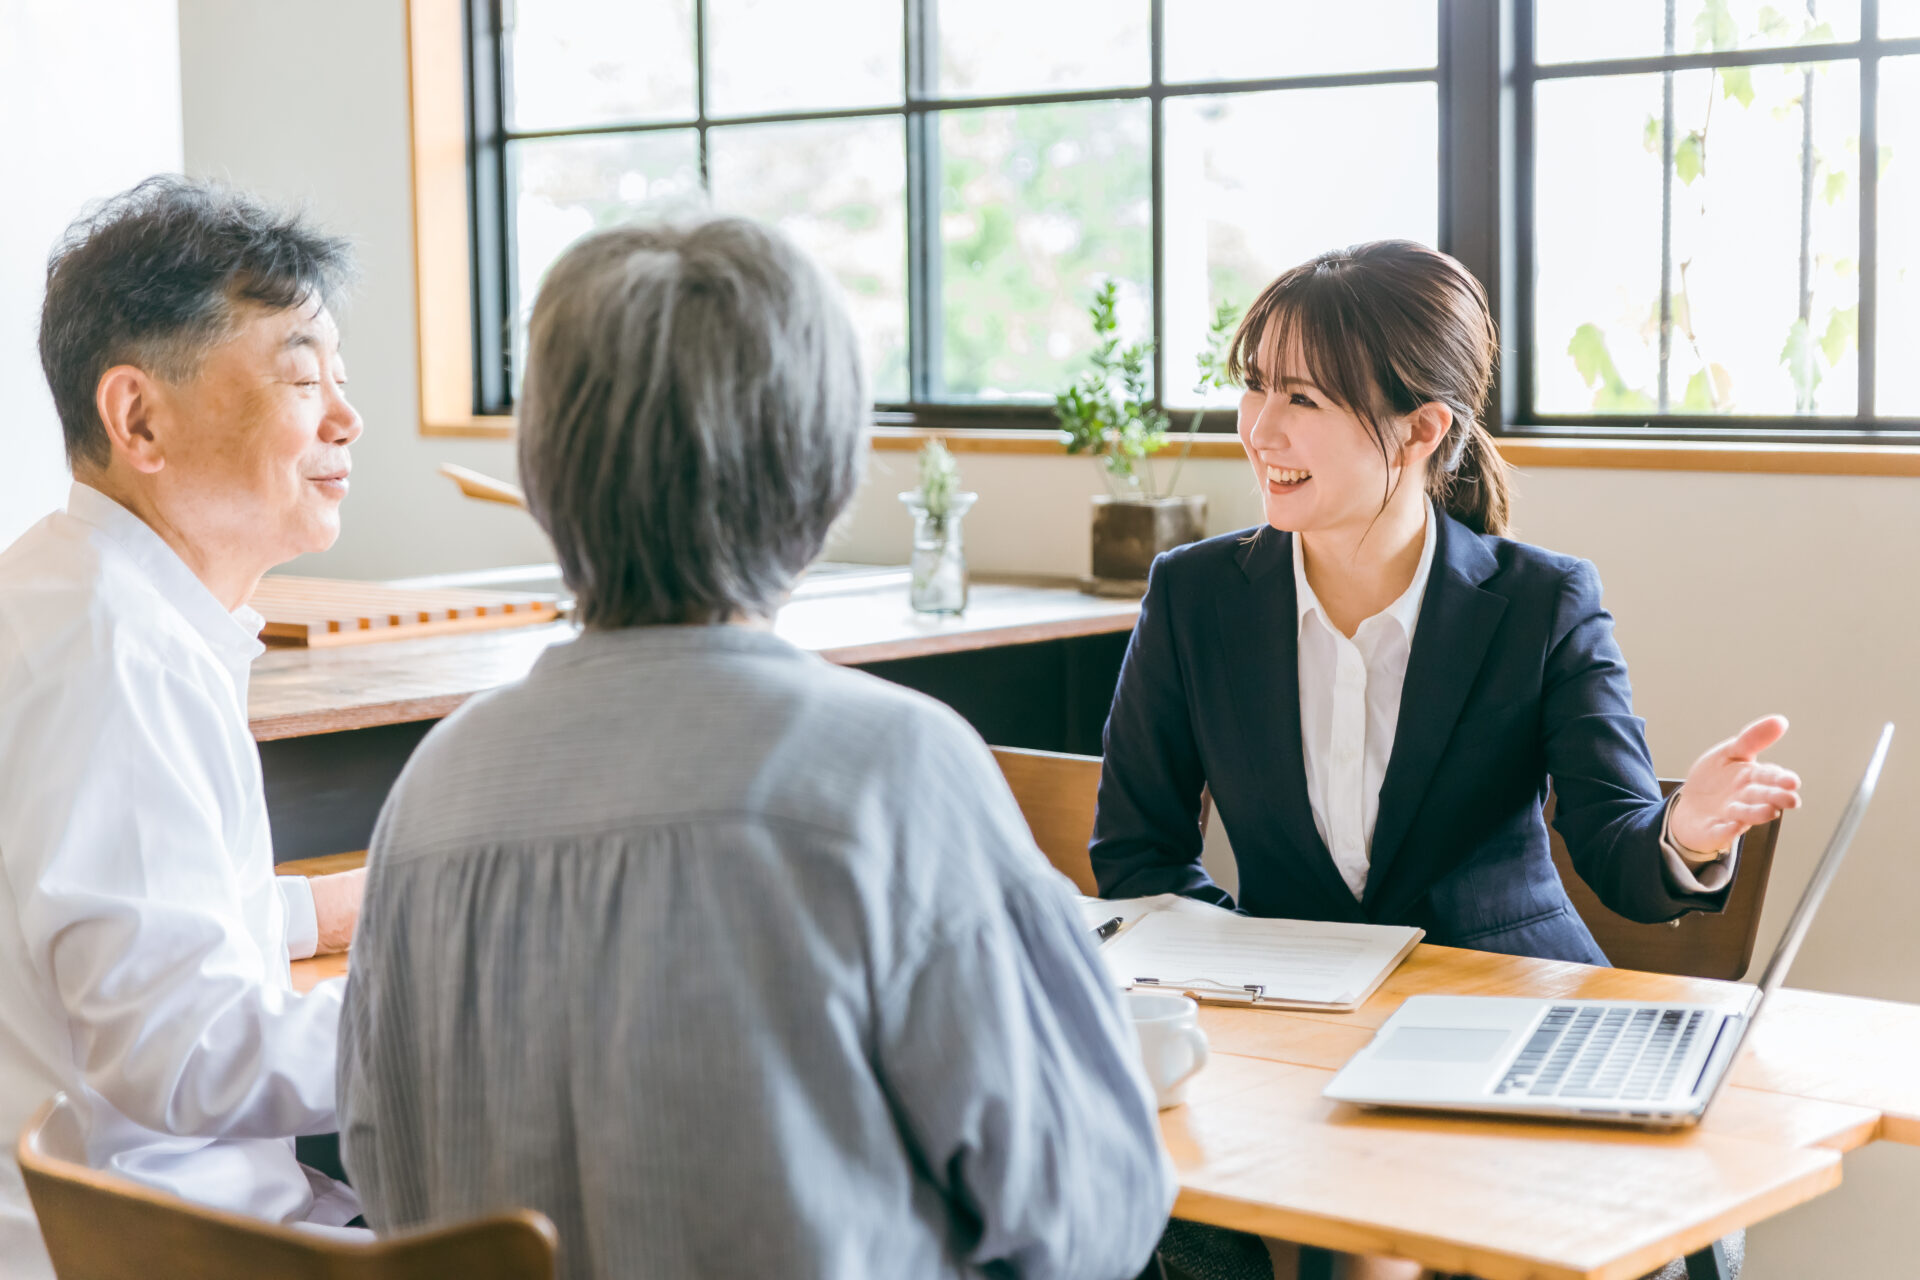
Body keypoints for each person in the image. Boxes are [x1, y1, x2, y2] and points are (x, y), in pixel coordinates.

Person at [336, 216, 1175, 1280]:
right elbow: (1087, 1209)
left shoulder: (436, 789)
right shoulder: (890, 769)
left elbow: (383, 1171)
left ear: (545, 475)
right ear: (821, 474)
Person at [1091, 240, 1800, 967]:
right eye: (1256, 386)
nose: (1260, 429)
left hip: (1505, 1005)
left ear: (1421, 429)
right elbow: (1138, 854)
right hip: (1294, 1018)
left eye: (1302, 397)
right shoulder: (1193, 596)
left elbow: (1616, 850)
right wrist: (1253, 962)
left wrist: (1684, 833)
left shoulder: (1544, 604)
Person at [0, 177, 370, 1276]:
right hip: (161, 1243)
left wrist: (311, 911)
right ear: (138, 418)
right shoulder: (118, 654)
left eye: (339, 379)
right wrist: (458, 1005)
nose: (346, 418)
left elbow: (105, 921)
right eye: (302, 378)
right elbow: (187, 1048)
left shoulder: (65, 591)